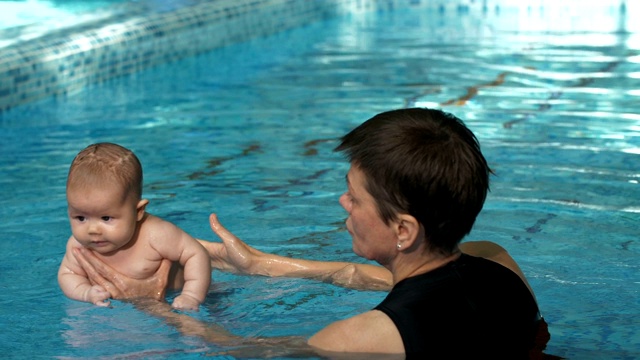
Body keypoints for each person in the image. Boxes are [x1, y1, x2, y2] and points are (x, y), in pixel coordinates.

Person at [74, 109, 551, 358]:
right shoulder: (496, 262)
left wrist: (152, 306)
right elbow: (375, 279)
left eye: (355, 197)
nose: (343, 203)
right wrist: (255, 264)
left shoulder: (359, 338)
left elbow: (247, 351)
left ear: (403, 230)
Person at [58, 142, 211, 311]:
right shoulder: (78, 246)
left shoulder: (156, 235)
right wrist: (85, 293)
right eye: (80, 217)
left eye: (106, 218)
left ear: (138, 211)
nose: (92, 230)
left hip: (177, 295)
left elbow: (195, 254)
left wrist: (192, 295)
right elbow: (67, 275)